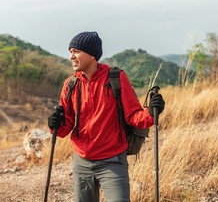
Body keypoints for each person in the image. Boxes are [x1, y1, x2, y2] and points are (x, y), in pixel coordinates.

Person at [48, 31, 165, 202]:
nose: (71, 57)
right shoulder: (70, 84)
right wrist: (54, 124)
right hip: (82, 162)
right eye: (70, 52)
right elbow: (65, 127)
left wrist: (152, 111)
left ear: (92, 55)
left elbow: (133, 115)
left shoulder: (116, 78)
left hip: (112, 161)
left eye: (76, 51)